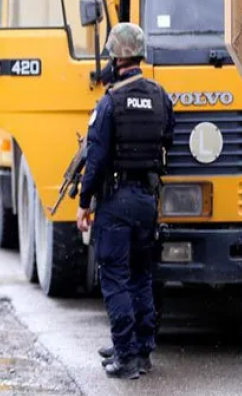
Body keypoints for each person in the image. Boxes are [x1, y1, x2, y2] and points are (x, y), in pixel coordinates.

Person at [76, 23, 174, 380]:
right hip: (147, 200)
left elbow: (97, 158)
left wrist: (84, 201)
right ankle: (142, 349)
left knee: (114, 277)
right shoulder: (160, 95)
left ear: (115, 56)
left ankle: (125, 354)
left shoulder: (110, 102)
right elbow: (169, 140)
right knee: (141, 275)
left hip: (116, 200)